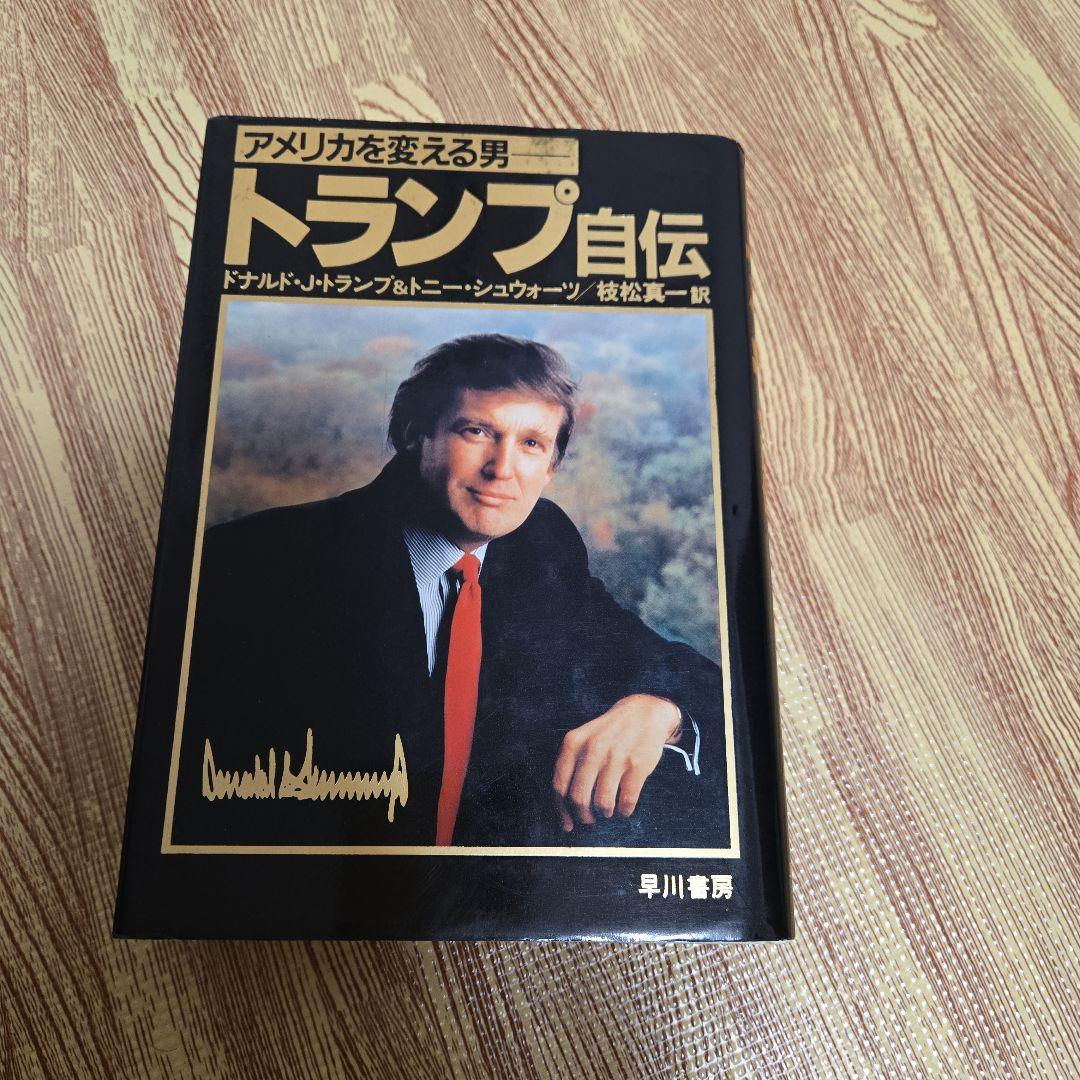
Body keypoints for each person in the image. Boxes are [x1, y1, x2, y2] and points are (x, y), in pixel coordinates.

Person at [174, 334, 728, 848]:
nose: (501, 469)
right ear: (416, 436)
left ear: (552, 467)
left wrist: (659, 709)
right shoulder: (253, 562)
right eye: (477, 432)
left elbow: (682, 670)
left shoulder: (541, 545)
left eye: (531, 443)